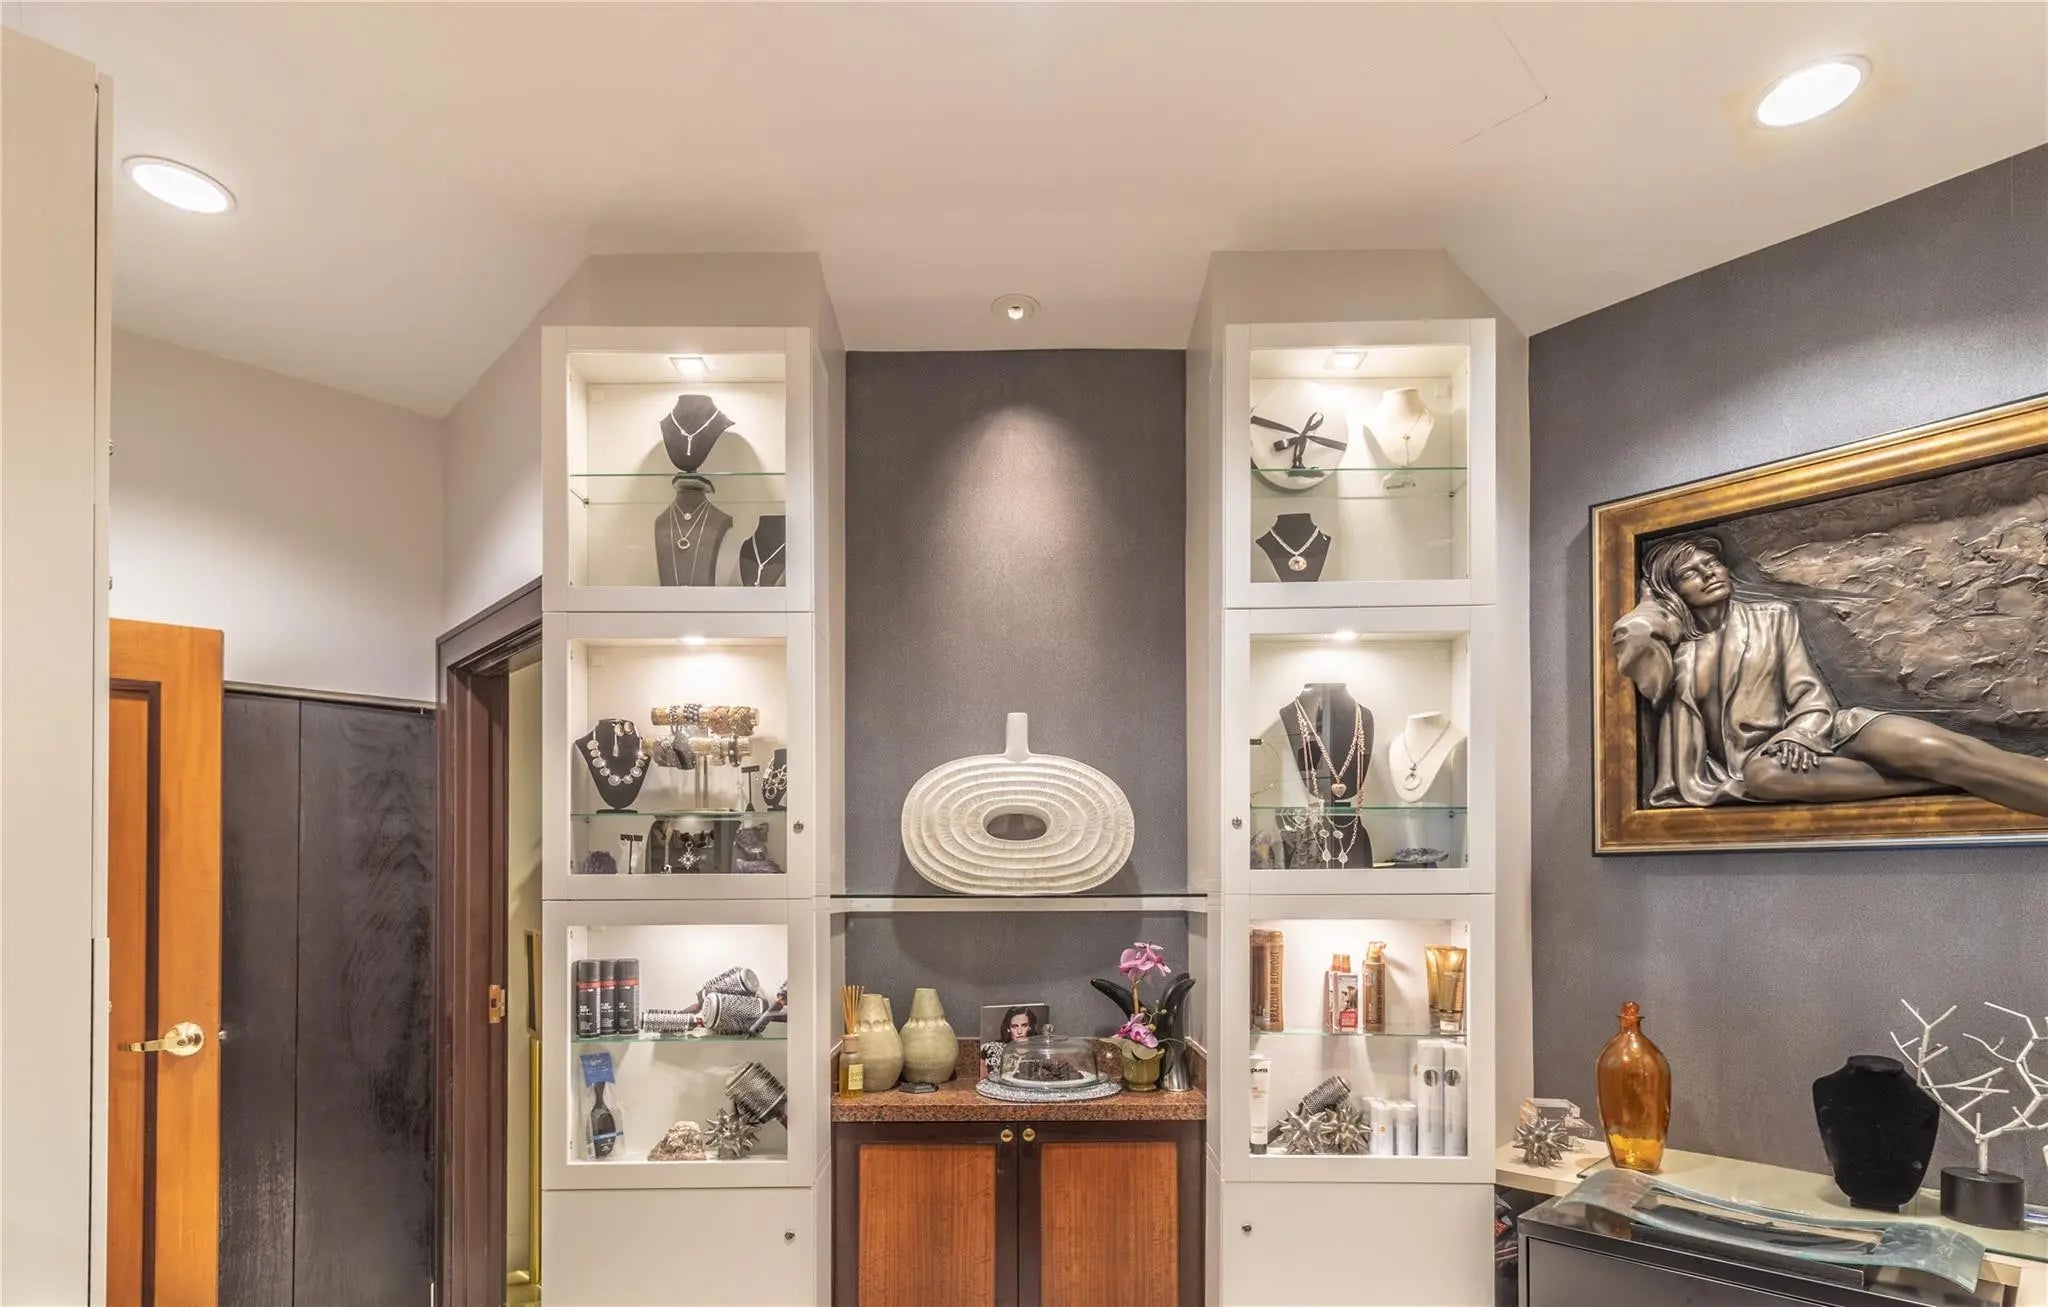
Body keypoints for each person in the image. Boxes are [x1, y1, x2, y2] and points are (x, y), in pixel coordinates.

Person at [1613, 534, 2048, 815]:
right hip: (1767, 764)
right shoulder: (1673, 655)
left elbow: (1809, 693)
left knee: (1937, 749)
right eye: (1689, 573)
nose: (1709, 574)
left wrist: (1799, 734)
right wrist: (1655, 605)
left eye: (1712, 563)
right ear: (1671, 590)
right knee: (1764, 778)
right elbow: (1633, 637)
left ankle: (1976, 775)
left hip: (1830, 730)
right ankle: (1945, 783)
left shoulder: (1771, 617)